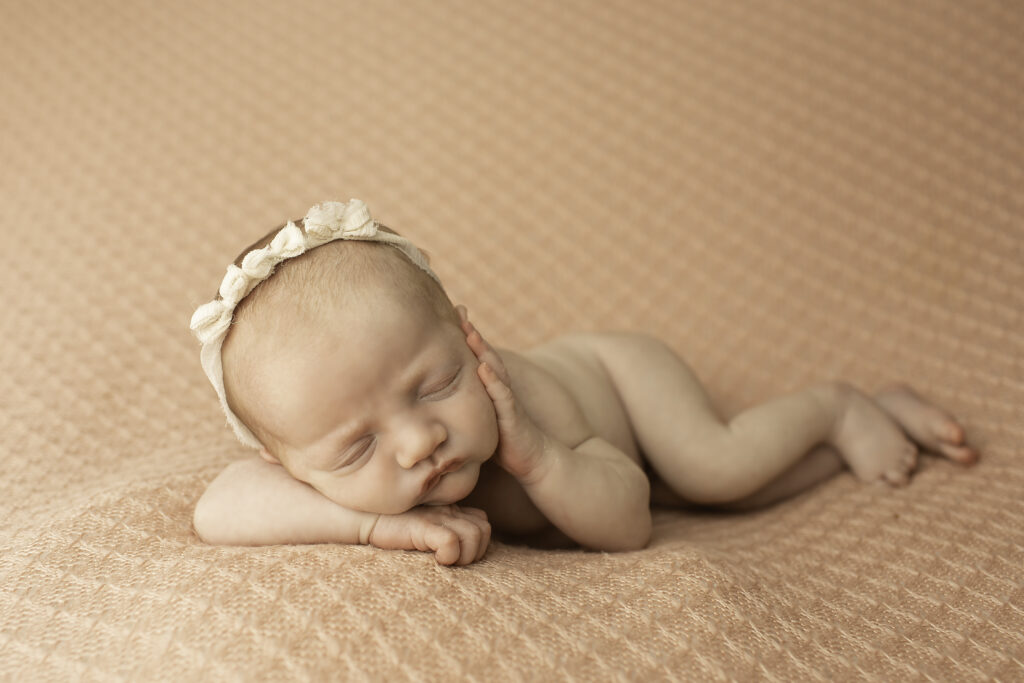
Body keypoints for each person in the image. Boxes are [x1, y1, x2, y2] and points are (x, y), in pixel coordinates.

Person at [189, 199, 979, 566]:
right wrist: (371, 527)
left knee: (712, 469)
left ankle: (838, 405)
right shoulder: (327, 454)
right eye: (356, 446)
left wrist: (540, 461)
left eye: (435, 385)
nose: (418, 438)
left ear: (470, 337)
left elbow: (631, 524)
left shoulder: (521, 408)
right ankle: (873, 424)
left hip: (622, 384)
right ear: (287, 464)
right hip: (614, 470)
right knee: (733, 496)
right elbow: (217, 506)